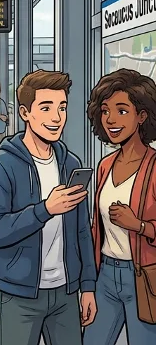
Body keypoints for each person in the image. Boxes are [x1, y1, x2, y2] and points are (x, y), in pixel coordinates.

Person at [0, 70, 96, 345]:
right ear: (25, 113)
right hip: (19, 294)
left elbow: (82, 231)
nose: (57, 117)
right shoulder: (0, 165)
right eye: (46, 108)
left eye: (62, 107)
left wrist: (88, 287)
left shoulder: (70, 164)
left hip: (66, 294)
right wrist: (45, 210)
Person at [83, 69, 156, 344]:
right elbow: (96, 228)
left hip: (145, 280)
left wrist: (137, 225)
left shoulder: (154, 167)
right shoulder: (105, 166)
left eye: (121, 111)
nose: (111, 119)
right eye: (105, 111)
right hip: (105, 276)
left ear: (142, 116)